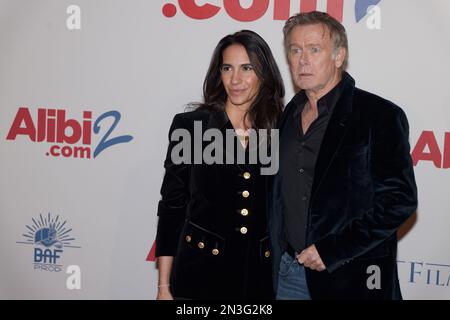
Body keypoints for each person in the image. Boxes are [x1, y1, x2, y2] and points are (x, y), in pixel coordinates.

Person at [269, 11, 418, 300]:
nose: (303, 59)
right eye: (295, 50)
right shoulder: (287, 116)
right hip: (287, 275)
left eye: (314, 50)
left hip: (350, 279)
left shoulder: (379, 116)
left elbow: (399, 200)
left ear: (339, 56)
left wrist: (333, 249)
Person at [155, 30, 285, 300]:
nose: (235, 79)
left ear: (264, 73)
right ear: (219, 73)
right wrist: (164, 287)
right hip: (200, 273)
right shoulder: (193, 127)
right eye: (227, 68)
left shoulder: (277, 130)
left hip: (258, 279)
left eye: (246, 68)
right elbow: (172, 204)